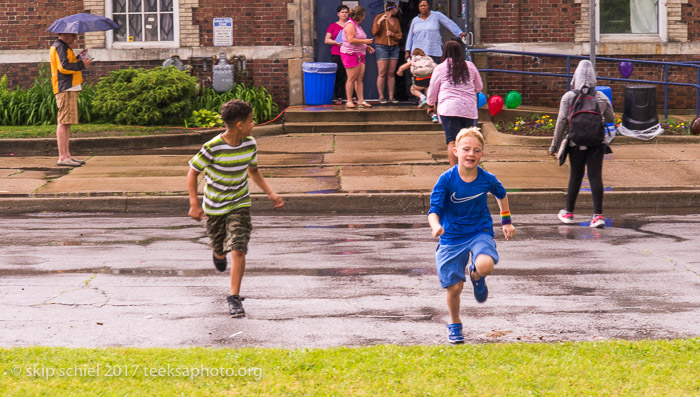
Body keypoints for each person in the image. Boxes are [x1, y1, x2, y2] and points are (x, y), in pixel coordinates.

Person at [187, 99, 285, 318]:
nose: (254, 124)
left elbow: (254, 171)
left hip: (239, 203)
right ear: (240, 124)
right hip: (214, 206)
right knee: (221, 247)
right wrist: (194, 203)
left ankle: (234, 297)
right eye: (251, 120)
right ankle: (218, 254)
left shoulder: (250, 143)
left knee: (238, 248)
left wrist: (270, 192)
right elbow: (193, 172)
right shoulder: (212, 147)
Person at [428, 127, 516, 344]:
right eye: (466, 149)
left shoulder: (486, 178)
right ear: (455, 151)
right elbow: (434, 211)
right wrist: (436, 226)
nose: (471, 154)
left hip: (479, 232)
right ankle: (455, 324)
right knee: (454, 287)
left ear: (481, 154)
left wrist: (506, 222)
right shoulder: (446, 180)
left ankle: (476, 275)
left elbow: (501, 194)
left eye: (476, 150)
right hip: (451, 237)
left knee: (485, 264)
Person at [549, 60, 614, 228]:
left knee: (575, 176)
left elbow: (561, 122)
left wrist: (554, 146)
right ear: (594, 78)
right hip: (596, 143)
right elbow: (611, 118)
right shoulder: (601, 97)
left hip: (575, 143)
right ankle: (598, 216)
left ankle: (569, 212)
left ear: (575, 77)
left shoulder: (569, 97)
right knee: (595, 177)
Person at [426, 40, 483, 167]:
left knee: (452, 141)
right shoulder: (470, 66)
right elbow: (479, 87)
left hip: (449, 108)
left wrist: (430, 104)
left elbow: (433, 88)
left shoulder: (440, 68)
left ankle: (454, 171)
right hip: (468, 109)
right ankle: (467, 168)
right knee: (467, 142)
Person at [50, 33, 92, 167]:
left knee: (67, 122)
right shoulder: (59, 47)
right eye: (72, 34)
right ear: (63, 34)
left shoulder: (63, 47)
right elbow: (64, 67)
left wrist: (78, 60)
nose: (75, 37)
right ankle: (63, 157)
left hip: (69, 87)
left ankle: (66, 155)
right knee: (63, 122)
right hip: (65, 87)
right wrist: (81, 64)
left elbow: (66, 64)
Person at [404, 0, 466, 64]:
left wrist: (459, 33)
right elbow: (410, 36)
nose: (423, 7)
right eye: (421, 6)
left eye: (424, 5)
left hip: (434, 50)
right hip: (418, 52)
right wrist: (407, 50)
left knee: (435, 72)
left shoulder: (436, 15)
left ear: (428, 6)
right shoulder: (415, 20)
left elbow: (449, 23)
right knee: (420, 72)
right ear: (418, 8)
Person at [341, 6, 375, 109]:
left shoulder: (358, 26)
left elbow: (358, 40)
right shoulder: (350, 25)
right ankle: (349, 100)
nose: (364, 18)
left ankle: (361, 100)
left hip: (360, 54)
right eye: (363, 16)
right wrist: (365, 42)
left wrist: (366, 46)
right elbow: (351, 40)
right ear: (359, 16)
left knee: (359, 78)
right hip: (350, 54)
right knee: (351, 78)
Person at [396, 48, 438, 122]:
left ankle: (422, 97)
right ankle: (434, 116)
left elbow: (402, 67)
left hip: (420, 79)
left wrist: (399, 72)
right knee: (430, 98)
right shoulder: (428, 59)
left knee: (413, 89)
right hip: (429, 79)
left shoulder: (414, 60)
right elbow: (436, 67)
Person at [372, 1, 402, 104]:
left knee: (391, 72)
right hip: (382, 46)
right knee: (382, 72)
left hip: (394, 47)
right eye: (396, 8)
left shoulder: (396, 20)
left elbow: (400, 36)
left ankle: (391, 96)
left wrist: (392, 34)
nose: (397, 10)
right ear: (392, 8)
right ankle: (381, 97)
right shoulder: (379, 17)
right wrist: (380, 22)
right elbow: (374, 32)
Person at [324, 5, 350, 105]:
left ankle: (351, 97)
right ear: (338, 14)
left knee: (351, 76)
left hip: (350, 53)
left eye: (346, 12)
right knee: (339, 76)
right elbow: (326, 40)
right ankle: (339, 97)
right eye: (342, 12)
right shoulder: (333, 26)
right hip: (337, 53)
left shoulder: (351, 25)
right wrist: (336, 42)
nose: (344, 14)